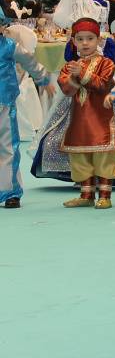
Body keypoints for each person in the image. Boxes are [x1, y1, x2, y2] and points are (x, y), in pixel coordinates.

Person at [50, 17, 115, 208]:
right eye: (80, 39)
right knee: (80, 156)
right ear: (73, 42)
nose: (85, 43)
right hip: (79, 120)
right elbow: (67, 90)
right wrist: (74, 75)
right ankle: (86, 195)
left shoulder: (106, 64)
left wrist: (81, 74)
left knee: (103, 155)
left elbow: (102, 85)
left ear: (98, 40)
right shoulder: (69, 66)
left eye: (90, 38)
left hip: (100, 118)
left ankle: (105, 196)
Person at [0, 11, 52, 209]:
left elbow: (29, 60)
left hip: (5, 103)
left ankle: (11, 191)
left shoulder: (9, 46)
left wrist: (43, 78)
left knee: (8, 147)